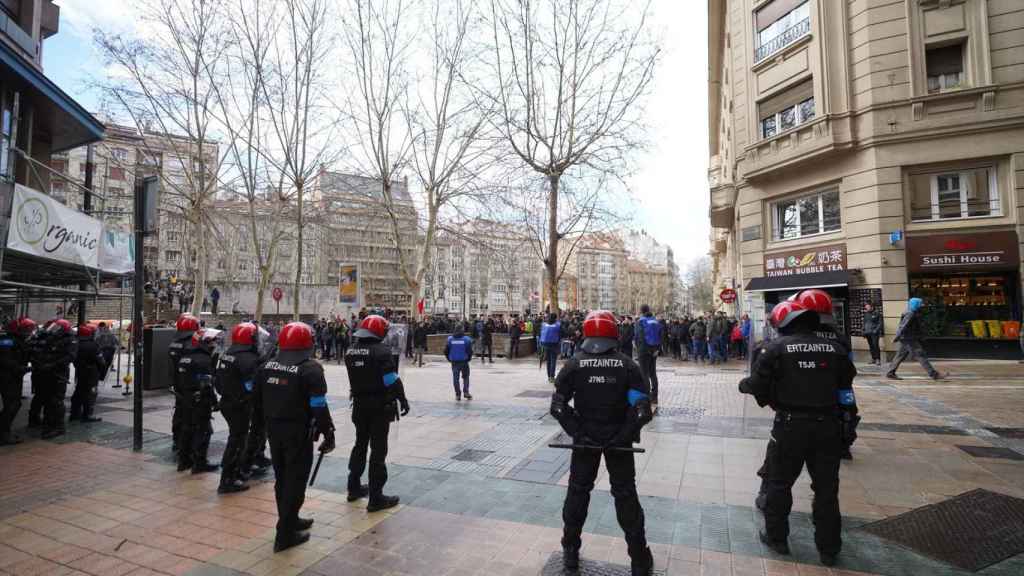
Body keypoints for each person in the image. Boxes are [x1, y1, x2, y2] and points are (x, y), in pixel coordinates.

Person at [739, 301, 857, 567]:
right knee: (827, 490)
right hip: (827, 426)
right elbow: (846, 391)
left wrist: (748, 388)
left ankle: (777, 537)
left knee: (779, 483)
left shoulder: (776, 349)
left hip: (790, 426)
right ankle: (829, 548)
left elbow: (757, 384)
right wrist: (848, 426)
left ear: (785, 324)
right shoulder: (836, 350)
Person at [550, 311, 654, 575]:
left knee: (577, 492)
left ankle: (570, 550)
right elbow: (642, 409)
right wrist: (624, 434)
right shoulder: (627, 365)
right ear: (613, 333)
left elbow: (558, 406)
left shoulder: (574, 364)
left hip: (586, 441)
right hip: (618, 442)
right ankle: (639, 558)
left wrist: (578, 432)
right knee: (625, 496)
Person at [254, 322, 335, 552]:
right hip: (298, 433)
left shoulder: (266, 366)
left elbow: (257, 402)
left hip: (274, 431)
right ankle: (285, 535)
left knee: (283, 478)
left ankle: (290, 519)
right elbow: (319, 406)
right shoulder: (311, 369)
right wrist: (328, 432)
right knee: (296, 481)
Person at [344, 315, 410, 512]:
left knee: (360, 445)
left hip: (359, 406)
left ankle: (353, 486)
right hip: (379, 408)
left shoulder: (351, 350)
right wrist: (403, 399)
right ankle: (376, 497)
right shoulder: (381, 351)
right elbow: (391, 380)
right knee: (378, 451)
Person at [215, 323, 265, 494]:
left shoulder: (227, 354)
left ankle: (233, 472)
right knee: (237, 441)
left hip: (227, 402)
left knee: (235, 439)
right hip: (240, 405)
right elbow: (253, 386)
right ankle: (228, 480)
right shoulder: (249, 359)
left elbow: (218, 382)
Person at [177, 328, 222, 474]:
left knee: (187, 428)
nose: (214, 343)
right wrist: (215, 402)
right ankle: (199, 463)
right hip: (200, 399)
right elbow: (207, 384)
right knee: (204, 430)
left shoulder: (185, 356)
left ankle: (183, 461)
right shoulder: (203, 360)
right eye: (212, 341)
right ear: (204, 343)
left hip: (185, 397)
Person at [32, 319, 76, 439]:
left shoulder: (70, 340)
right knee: (47, 400)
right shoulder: (51, 337)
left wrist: (52, 364)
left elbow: (70, 357)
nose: (53, 329)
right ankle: (49, 425)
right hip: (47, 372)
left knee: (56, 401)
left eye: (57, 328)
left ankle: (59, 427)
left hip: (58, 374)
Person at [887, 298, 943, 380]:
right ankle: (934, 374)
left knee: (900, 355)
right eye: (920, 303)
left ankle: (890, 372)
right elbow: (903, 326)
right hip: (909, 338)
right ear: (916, 304)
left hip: (906, 338)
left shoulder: (912, 312)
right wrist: (896, 337)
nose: (921, 305)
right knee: (920, 355)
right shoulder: (910, 313)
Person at [169, 314, 200, 455]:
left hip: (177, 381)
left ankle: (177, 439)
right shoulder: (190, 344)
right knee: (189, 413)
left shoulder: (174, 342)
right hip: (189, 382)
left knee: (179, 410)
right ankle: (187, 443)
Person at [0, 317, 34, 445]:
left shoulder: (19, 340)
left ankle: (4, 431)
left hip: (14, 377)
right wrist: (21, 368)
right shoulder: (6, 340)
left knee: (14, 404)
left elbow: (24, 353)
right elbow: (4, 359)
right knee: (12, 405)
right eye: (26, 329)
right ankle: (3, 434)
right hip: (7, 378)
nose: (28, 332)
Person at [69, 324, 105, 424]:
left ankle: (74, 414)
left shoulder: (75, 344)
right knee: (90, 393)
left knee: (79, 392)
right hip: (91, 373)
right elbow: (101, 361)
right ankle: (87, 415)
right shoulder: (93, 345)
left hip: (80, 371)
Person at [635, 305, 663, 406]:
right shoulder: (656, 321)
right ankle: (654, 397)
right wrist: (657, 349)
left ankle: (646, 397)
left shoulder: (640, 321)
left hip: (643, 351)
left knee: (644, 374)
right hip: (654, 350)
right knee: (653, 374)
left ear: (641, 311)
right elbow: (661, 336)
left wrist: (639, 350)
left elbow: (639, 337)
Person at [445, 325, 473, 401]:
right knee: (466, 377)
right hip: (464, 361)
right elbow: (470, 351)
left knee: (455, 378)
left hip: (454, 361)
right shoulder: (466, 339)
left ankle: (458, 394)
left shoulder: (450, 339)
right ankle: (466, 392)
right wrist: (468, 358)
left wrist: (449, 359)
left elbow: (446, 351)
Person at [540, 314, 562, 384]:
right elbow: (562, 333)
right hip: (554, 344)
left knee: (548, 361)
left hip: (545, 344)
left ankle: (549, 376)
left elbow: (540, 332)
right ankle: (552, 377)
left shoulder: (544, 324)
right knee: (553, 361)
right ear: (555, 318)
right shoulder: (557, 325)